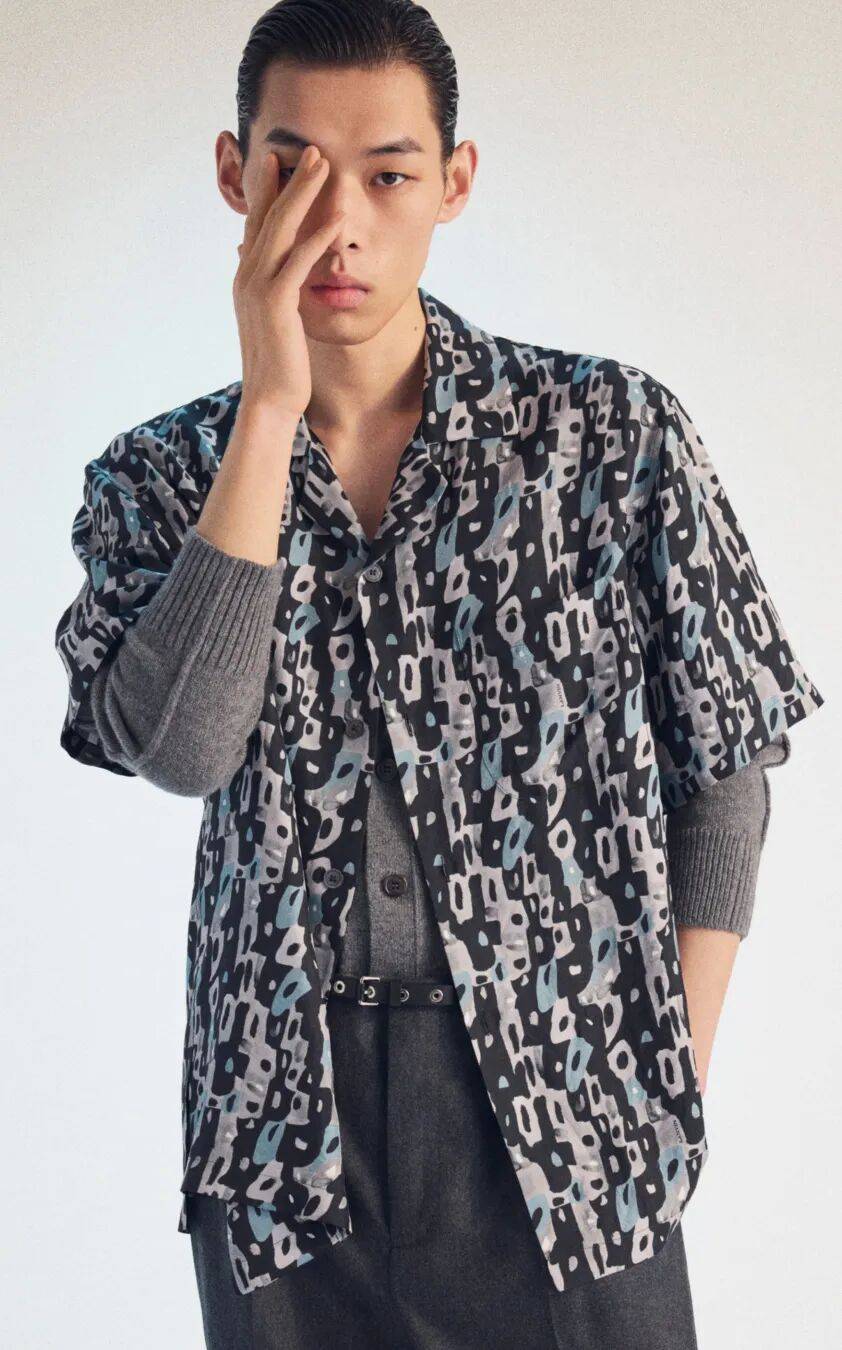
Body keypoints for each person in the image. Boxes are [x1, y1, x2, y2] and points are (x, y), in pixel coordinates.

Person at [53, 2, 824, 1347]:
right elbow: (179, 749)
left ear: (453, 182)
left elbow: (727, 764)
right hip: (280, 1126)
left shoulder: (607, 438)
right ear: (234, 174)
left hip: (568, 1109)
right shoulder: (155, 477)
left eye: (388, 174)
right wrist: (270, 410)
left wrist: (664, 1072)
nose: (337, 222)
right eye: (293, 168)